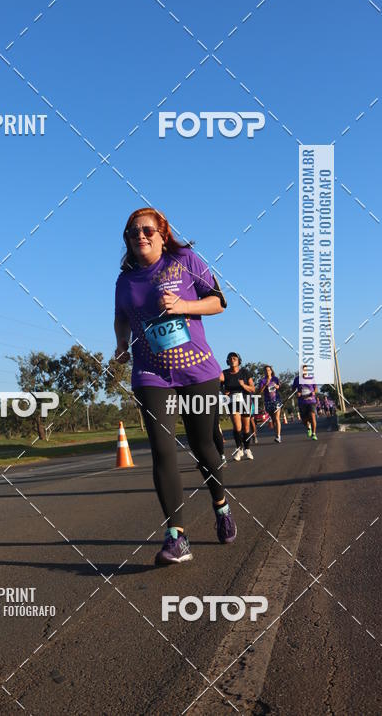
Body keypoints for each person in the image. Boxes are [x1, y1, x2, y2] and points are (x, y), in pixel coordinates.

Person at [114, 209, 237, 565]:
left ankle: (221, 508)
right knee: (163, 451)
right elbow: (121, 316)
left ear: (163, 234)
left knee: (203, 448)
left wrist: (183, 305)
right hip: (151, 375)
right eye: (133, 231)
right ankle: (176, 538)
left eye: (148, 229)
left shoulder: (184, 260)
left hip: (198, 372)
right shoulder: (125, 281)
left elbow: (219, 301)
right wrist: (121, 344)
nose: (140, 235)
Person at [221, 353, 256, 461]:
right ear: (227, 361)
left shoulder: (244, 372)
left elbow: (253, 389)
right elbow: (218, 386)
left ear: (239, 360)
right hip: (232, 401)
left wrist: (243, 385)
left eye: (234, 358)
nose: (232, 360)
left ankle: (247, 449)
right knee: (237, 427)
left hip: (245, 400)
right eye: (230, 358)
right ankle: (239, 449)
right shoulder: (224, 373)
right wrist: (223, 392)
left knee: (246, 427)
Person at [292, 365, 319, 441]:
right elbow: (293, 389)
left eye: (305, 370)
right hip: (302, 401)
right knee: (304, 420)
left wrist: (314, 392)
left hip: (311, 401)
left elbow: (316, 388)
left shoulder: (311, 378)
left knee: (312, 416)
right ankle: (308, 427)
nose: (303, 371)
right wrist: (296, 393)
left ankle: (314, 434)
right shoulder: (297, 379)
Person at [258, 365, 282, 442]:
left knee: (277, 418)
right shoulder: (262, 380)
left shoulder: (275, 379)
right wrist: (265, 384)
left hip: (276, 400)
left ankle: (278, 436)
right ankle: (277, 435)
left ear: (271, 371)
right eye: (266, 370)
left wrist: (277, 386)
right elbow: (260, 391)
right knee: (274, 419)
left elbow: (279, 386)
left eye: (269, 370)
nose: (267, 371)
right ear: (264, 372)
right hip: (268, 402)